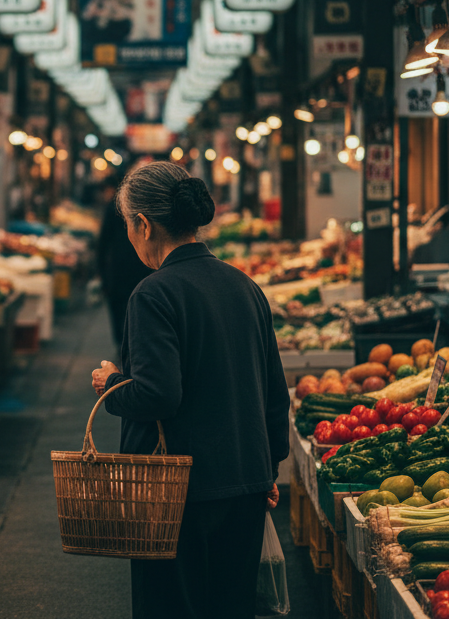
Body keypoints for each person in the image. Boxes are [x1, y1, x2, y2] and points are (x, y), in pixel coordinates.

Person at [90, 161, 290, 619]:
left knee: (172, 607)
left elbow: (158, 395)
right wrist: (269, 469)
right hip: (244, 481)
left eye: (128, 225)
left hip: (177, 495)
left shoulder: (153, 294)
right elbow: (273, 392)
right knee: (231, 606)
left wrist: (111, 384)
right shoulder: (245, 286)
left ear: (142, 224)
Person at [97, 171, 155, 348]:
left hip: (118, 269)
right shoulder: (142, 206)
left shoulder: (113, 207)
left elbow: (102, 242)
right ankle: (133, 346)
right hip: (141, 267)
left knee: (119, 311)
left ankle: (123, 346)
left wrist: (102, 273)